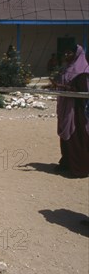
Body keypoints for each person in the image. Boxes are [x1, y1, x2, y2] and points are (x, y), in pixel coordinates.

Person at [53, 44, 89, 177]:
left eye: (69, 53)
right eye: (65, 53)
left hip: (76, 111)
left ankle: (79, 168)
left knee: (76, 136)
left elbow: (83, 92)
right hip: (65, 107)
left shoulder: (83, 71)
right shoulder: (67, 69)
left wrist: (63, 87)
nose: (66, 56)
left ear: (77, 54)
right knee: (65, 136)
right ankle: (67, 163)